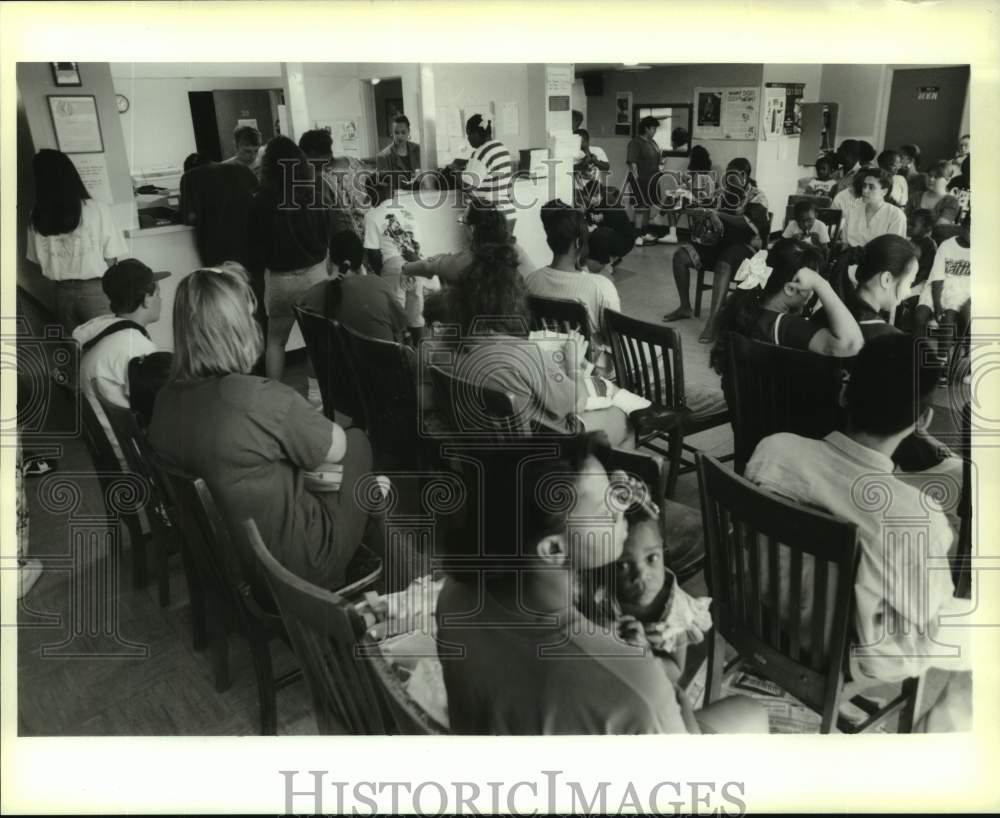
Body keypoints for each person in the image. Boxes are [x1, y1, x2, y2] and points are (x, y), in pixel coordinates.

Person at [436, 431, 768, 735]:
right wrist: (672, 697)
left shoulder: (455, 595)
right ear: (553, 548)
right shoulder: (635, 682)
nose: (621, 507)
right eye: (603, 507)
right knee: (750, 712)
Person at [744, 333, 971, 702]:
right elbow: (927, 616)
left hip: (760, 613)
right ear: (923, 419)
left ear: (845, 394)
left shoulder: (775, 449)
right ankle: (846, 691)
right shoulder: (917, 515)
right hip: (836, 654)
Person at [147, 265, 383, 591]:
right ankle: (366, 522)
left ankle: (365, 500)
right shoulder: (257, 397)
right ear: (238, 329)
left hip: (228, 555)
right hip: (297, 563)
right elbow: (338, 448)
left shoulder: (165, 398)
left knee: (323, 463)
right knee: (357, 442)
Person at [443, 243, 635, 447]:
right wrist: (573, 364)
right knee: (625, 418)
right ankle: (607, 476)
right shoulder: (525, 355)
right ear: (511, 301)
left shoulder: (449, 349)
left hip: (494, 451)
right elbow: (575, 404)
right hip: (545, 451)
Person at [709, 238, 863, 377]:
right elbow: (852, 344)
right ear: (790, 288)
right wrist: (822, 284)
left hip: (741, 404)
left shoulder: (743, 310)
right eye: (811, 284)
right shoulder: (786, 326)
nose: (812, 292)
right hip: (773, 407)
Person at [248, 136, 330, 380]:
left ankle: (275, 397)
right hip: (315, 276)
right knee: (317, 342)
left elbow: (256, 248)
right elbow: (325, 237)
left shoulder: (260, 200)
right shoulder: (314, 194)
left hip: (281, 279)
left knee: (275, 342)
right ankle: (319, 400)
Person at [666, 158, 770, 344]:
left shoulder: (757, 196)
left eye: (733, 176)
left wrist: (718, 214)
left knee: (723, 264)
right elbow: (704, 207)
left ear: (744, 176)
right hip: (717, 244)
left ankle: (713, 322)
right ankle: (685, 307)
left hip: (745, 248)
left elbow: (747, 223)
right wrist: (702, 212)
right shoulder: (722, 193)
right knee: (680, 256)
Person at [72, 259, 167, 459]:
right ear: (147, 299)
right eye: (158, 293)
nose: (161, 299)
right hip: (133, 455)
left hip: (113, 444)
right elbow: (160, 414)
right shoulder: (136, 349)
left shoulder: (105, 330)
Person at [27, 149, 127, 332]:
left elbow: (36, 260)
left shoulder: (36, 216)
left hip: (61, 294)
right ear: (70, 174)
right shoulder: (97, 209)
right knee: (106, 344)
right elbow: (111, 257)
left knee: (76, 351)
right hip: (96, 290)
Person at [525, 201, 621, 375]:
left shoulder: (531, 281)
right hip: (591, 370)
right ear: (578, 242)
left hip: (549, 364)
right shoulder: (600, 286)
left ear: (549, 241)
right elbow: (613, 340)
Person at [298, 230, 408, 345]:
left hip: (333, 362)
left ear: (330, 260)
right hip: (383, 361)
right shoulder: (378, 285)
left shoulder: (311, 296)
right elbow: (401, 327)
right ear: (360, 262)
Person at [363, 181, 438, 341]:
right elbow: (417, 243)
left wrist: (381, 274)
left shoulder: (372, 215)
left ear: (371, 194)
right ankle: (419, 355)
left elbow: (373, 253)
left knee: (395, 319)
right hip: (417, 264)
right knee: (416, 317)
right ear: (392, 193)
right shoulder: (407, 211)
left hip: (394, 266)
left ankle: (400, 358)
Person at [402, 200, 533, 285]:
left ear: (472, 228)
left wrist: (406, 267)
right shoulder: (516, 251)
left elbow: (428, 266)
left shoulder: (469, 260)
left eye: (462, 221)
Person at [833, 234, 919, 341]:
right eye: (910, 283)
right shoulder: (892, 341)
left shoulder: (827, 313)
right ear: (886, 279)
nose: (909, 292)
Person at [179, 156, 258, 270]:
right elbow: (257, 196)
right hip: (250, 240)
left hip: (216, 246)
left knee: (222, 283)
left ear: (189, 168)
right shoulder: (241, 168)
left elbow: (190, 217)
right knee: (252, 281)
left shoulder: (189, 177)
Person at [915, 214, 971, 358]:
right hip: (937, 287)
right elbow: (937, 278)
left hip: (960, 291)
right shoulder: (947, 245)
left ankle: (942, 359)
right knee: (920, 315)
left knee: (948, 318)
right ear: (963, 228)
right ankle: (916, 355)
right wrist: (937, 305)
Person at [461, 114, 515, 226]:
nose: (468, 139)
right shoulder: (502, 148)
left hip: (489, 218)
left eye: (469, 134)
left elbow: (468, 186)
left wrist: (458, 174)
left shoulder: (480, 153)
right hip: (508, 213)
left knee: (482, 243)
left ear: (476, 133)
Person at [839, 169, 907, 248]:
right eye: (864, 186)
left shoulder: (896, 215)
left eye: (871, 187)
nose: (865, 190)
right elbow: (845, 245)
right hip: (853, 257)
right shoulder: (852, 212)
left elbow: (895, 250)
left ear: (884, 191)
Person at [625, 116, 662, 238]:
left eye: (656, 128)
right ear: (646, 128)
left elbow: (658, 158)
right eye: (653, 128)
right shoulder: (635, 142)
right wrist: (636, 181)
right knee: (640, 208)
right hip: (640, 180)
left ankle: (644, 233)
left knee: (648, 206)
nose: (655, 131)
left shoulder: (653, 142)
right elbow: (632, 162)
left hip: (653, 179)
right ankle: (637, 235)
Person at [375, 114, 422, 194]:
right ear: (392, 133)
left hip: (421, 194)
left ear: (408, 132)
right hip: (397, 199)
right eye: (396, 133)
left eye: (403, 132)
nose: (400, 136)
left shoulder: (419, 150)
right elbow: (384, 187)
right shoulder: (383, 157)